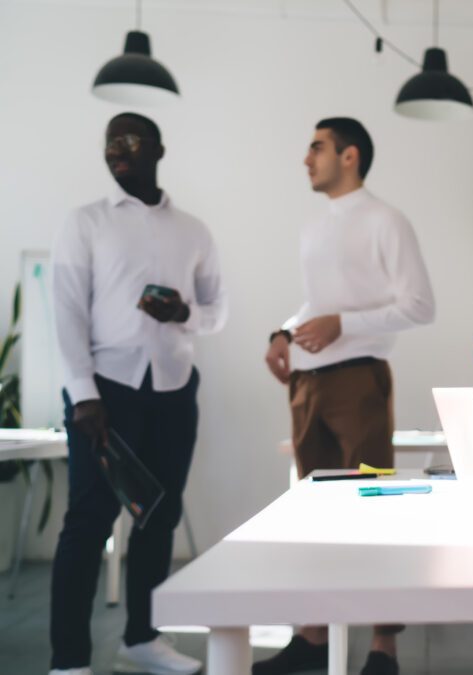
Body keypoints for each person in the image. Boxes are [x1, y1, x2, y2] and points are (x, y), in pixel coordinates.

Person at [50, 112, 227, 675]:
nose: (117, 150)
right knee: (89, 522)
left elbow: (218, 311)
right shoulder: (85, 222)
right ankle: (69, 661)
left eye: (130, 140)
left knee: (159, 517)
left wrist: (183, 312)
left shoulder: (194, 230)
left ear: (158, 148)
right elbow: (67, 312)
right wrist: (83, 394)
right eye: (110, 142)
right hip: (105, 393)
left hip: (174, 389)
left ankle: (142, 639)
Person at [256, 117, 435, 675]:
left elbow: (420, 306)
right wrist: (283, 333)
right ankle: (312, 638)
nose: (305, 158)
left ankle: (384, 647)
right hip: (306, 382)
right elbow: (319, 303)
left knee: (371, 510)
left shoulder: (386, 220)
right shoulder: (315, 227)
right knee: (316, 516)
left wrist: (345, 325)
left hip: (358, 379)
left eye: (316, 147)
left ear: (350, 155)